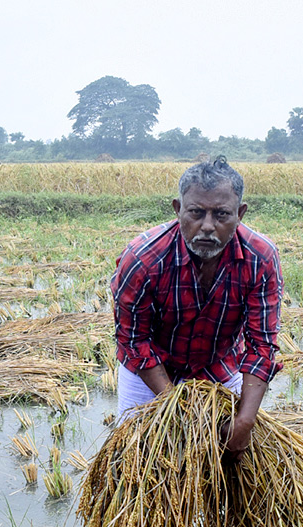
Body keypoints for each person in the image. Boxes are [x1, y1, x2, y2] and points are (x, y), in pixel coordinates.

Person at [111, 156, 282, 455]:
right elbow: (134, 340)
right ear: (178, 210)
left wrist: (244, 422)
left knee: (225, 462)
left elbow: (261, 347)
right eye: (196, 212)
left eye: (221, 214)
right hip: (149, 370)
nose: (206, 226)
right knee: (140, 457)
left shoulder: (261, 259)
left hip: (218, 364)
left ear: (240, 213)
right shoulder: (142, 259)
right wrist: (174, 406)